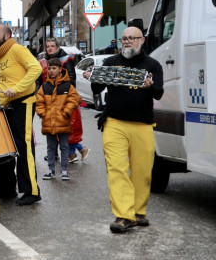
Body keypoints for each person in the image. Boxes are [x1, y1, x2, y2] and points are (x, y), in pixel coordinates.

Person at [82, 26, 163, 233]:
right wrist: (93, 77)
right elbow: (97, 90)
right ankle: (124, 215)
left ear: (142, 40)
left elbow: (159, 93)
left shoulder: (152, 65)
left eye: (131, 38)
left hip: (142, 124)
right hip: (115, 123)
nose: (127, 42)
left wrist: (149, 86)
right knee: (116, 169)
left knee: (142, 171)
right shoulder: (110, 63)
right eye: (124, 38)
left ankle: (138, 211)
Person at [0, 23, 43, 205]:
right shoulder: (1, 56)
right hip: (10, 106)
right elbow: (8, 84)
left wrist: (18, 88)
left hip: (24, 103)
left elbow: (36, 69)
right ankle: (7, 189)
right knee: (10, 148)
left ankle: (32, 191)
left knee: (24, 147)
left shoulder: (17, 49)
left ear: (8, 35)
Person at [39, 38, 82, 162]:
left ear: (57, 47)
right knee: (51, 125)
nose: (50, 48)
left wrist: (65, 93)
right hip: (48, 98)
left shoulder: (66, 60)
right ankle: (55, 153)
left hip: (63, 97)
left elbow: (71, 79)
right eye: (48, 46)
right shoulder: (43, 61)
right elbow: (39, 80)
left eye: (52, 46)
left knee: (65, 126)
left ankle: (73, 152)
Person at [36, 58, 79, 181]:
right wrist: (43, 114)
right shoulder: (45, 87)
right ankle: (51, 170)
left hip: (63, 121)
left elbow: (73, 99)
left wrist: (66, 112)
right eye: (49, 68)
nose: (51, 71)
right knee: (51, 147)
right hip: (49, 121)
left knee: (64, 146)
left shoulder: (67, 86)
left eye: (54, 68)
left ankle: (64, 170)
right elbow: (39, 102)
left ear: (60, 69)